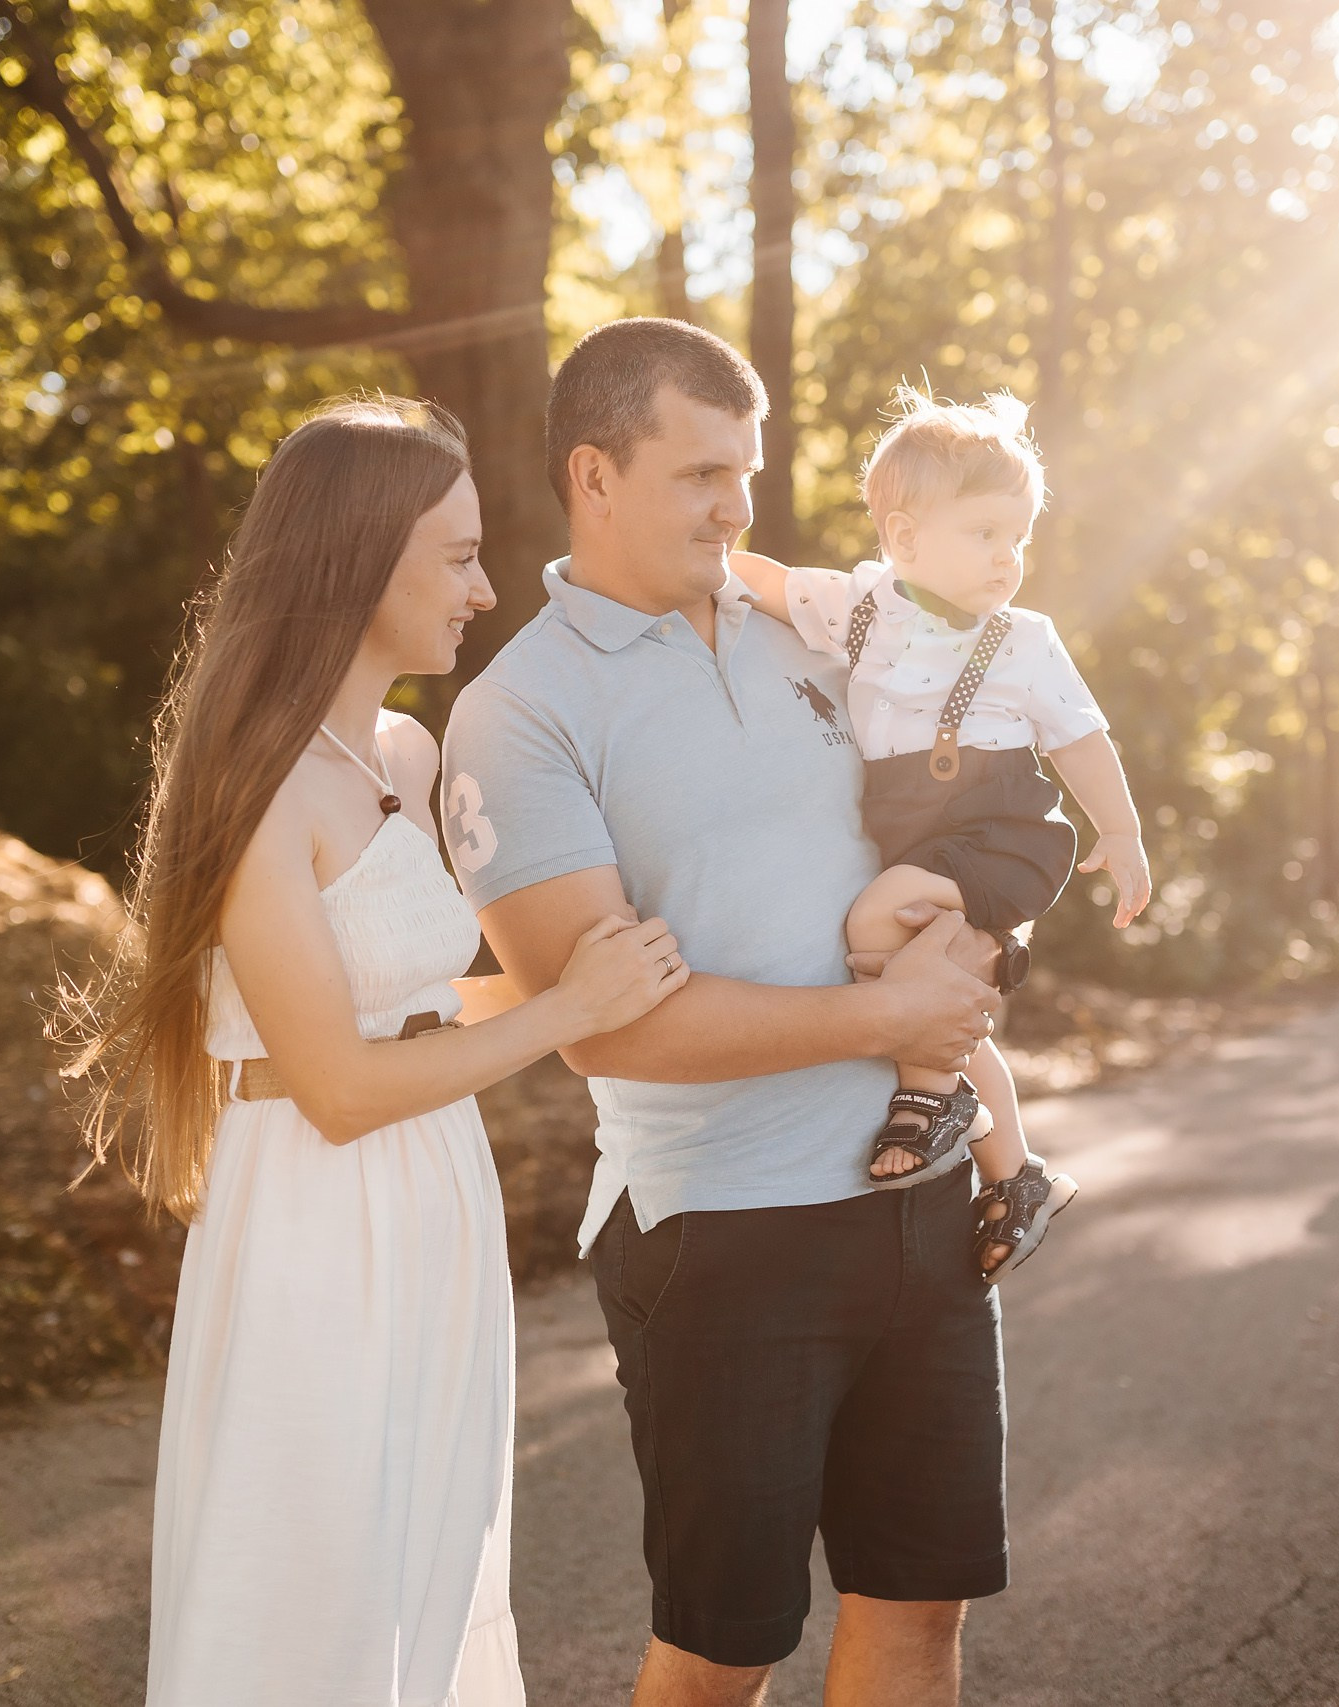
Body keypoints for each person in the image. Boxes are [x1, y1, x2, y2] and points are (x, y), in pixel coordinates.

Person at [61, 394, 687, 1707]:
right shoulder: (257, 781)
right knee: (315, 1578)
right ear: (357, 562)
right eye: (457, 557)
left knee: (425, 1557)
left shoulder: (403, 745)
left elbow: (413, 1008)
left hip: (434, 1191)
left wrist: (591, 975)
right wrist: (564, 1011)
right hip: (314, 1212)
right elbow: (338, 1089)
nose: (486, 587)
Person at [441, 321, 1008, 1706]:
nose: (737, 506)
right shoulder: (519, 711)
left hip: (920, 1194)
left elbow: (973, 799)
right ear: (594, 474)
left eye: (746, 471)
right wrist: (887, 1021)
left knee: (920, 1608)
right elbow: (601, 1024)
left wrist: (976, 952)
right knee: (724, 1649)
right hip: (721, 1230)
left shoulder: (820, 634)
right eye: (701, 473)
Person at [728, 383, 1153, 1279]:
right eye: (986, 532)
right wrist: (708, 563)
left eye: (1019, 537)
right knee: (939, 991)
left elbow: (1080, 738)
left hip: (999, 833)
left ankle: (928, 1095)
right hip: (922, 839)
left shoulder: (1023, 639)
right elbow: (765, 582)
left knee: (876, 919)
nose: (1008, 556)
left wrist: (1120, 830)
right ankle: (1017, 1174)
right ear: (906, 536)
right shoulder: (860, 606)